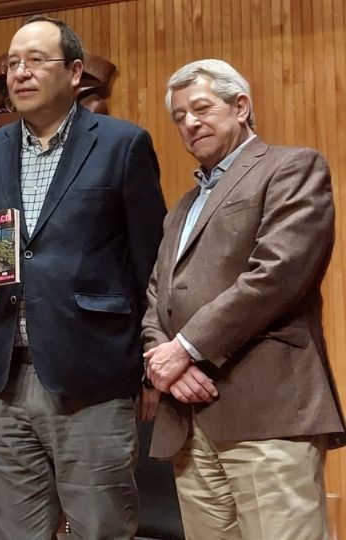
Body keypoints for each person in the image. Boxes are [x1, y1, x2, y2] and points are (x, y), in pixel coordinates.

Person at [0, 16, 166, 539]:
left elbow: (152, 265)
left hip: (92, 377)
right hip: (0, 378)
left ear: (73, 72)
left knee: (101, 529)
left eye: (35, 61)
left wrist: (148, 366)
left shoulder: (122, 145)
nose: (20, 73)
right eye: (12, 64)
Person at [143, 58, 345, 539]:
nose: (189, 123)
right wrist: (164, 359)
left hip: (268, 410)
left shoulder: (291, 167)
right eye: (179, 116)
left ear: (240, 106)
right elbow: (156, 296)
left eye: (201, 108)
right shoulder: (183, 207)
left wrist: (185, 349)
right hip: (189, 422)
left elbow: (276, 275)